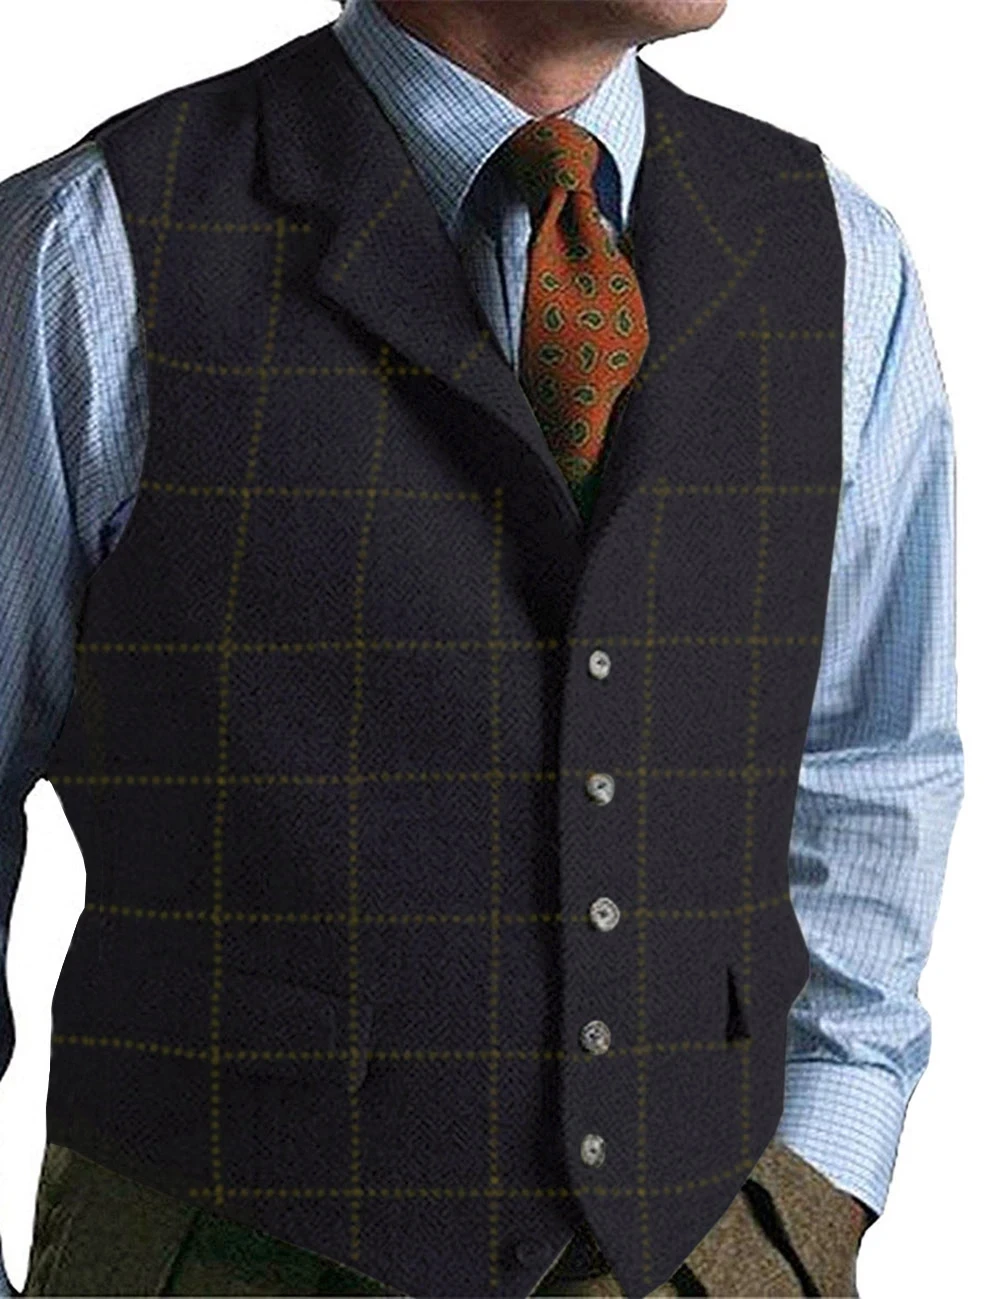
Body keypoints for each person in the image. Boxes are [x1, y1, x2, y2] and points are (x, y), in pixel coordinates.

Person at [0, 0, 963, 1295]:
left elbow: (873, 758)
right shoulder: (93, 245)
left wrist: (816, 1183)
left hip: (712, 1246)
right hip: (232, 1242)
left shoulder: (836, 254)